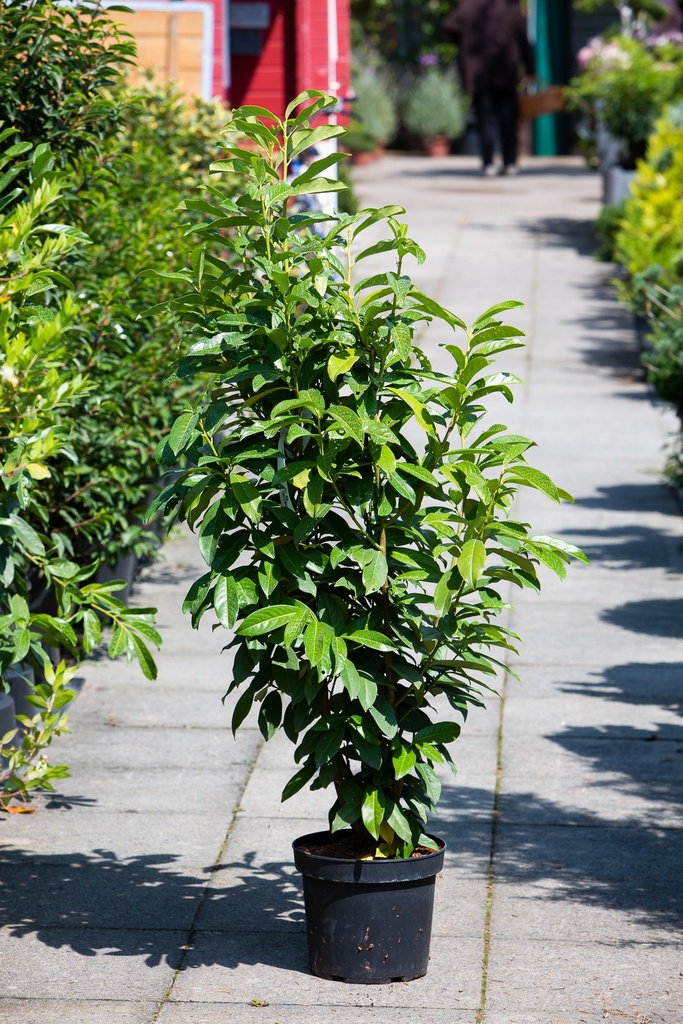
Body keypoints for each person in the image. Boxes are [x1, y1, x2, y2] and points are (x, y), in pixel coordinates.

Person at [443, 0, 535, 175]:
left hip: (479, 72)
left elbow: (449, 26)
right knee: (508, 120)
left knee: (485, 119)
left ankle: (488, 163)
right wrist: (531, 67)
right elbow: (523, 37)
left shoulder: (469, 5)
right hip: (505, 70)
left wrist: (464, 45)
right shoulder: (510, 5)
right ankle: (510, 162)